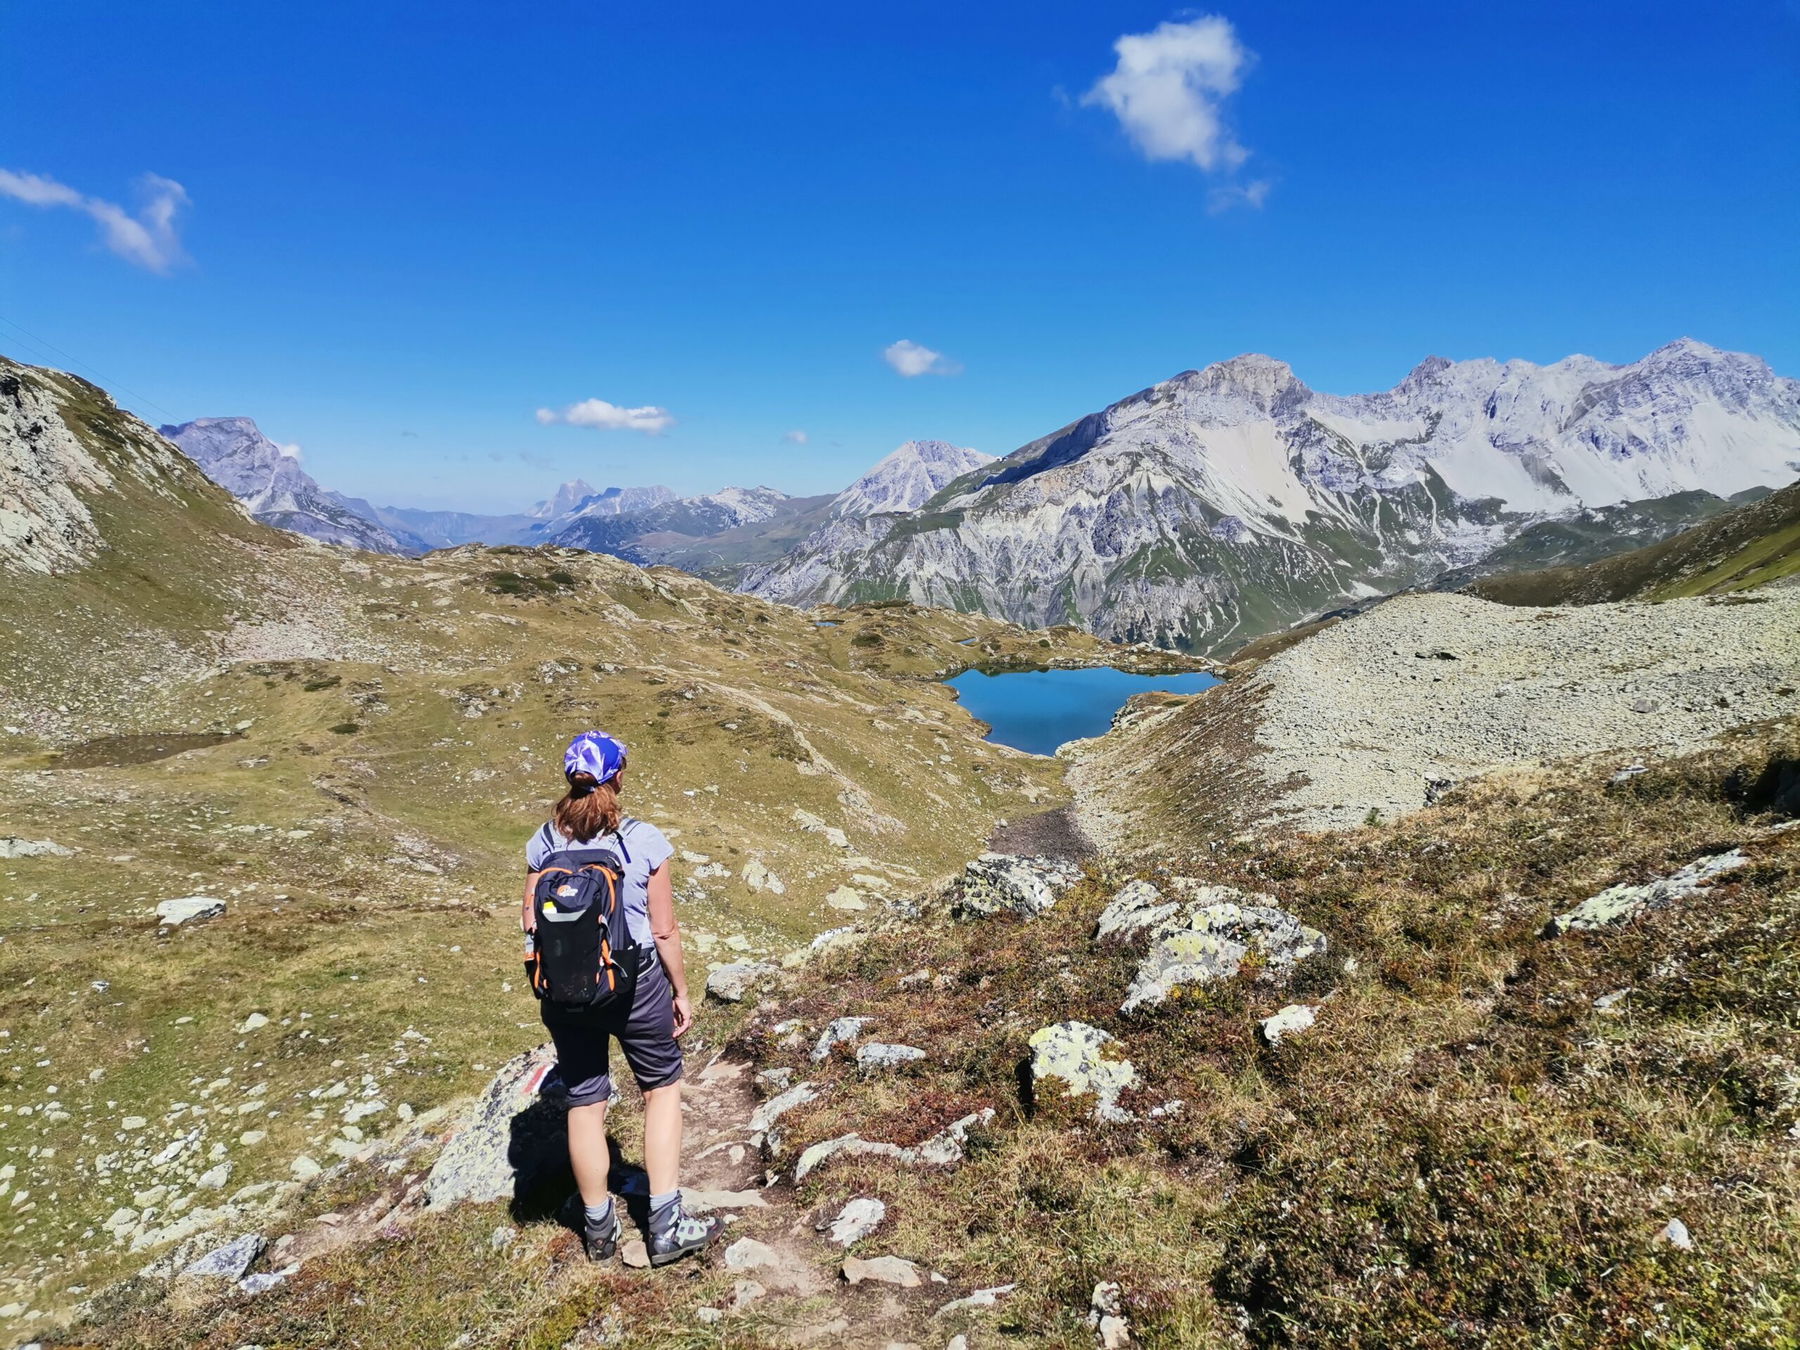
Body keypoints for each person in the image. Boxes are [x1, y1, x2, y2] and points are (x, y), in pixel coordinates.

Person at [521, 731, 723, 1266]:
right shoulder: (643, 840)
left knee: (585, 1099)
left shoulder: (543, 842)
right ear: (617, 777)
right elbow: (664, 929)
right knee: (661, 1089)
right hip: (636, 984)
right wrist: (681, 991)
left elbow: (529, 921)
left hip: (565, 991)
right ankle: (666, 1225)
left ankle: (598, 1229)